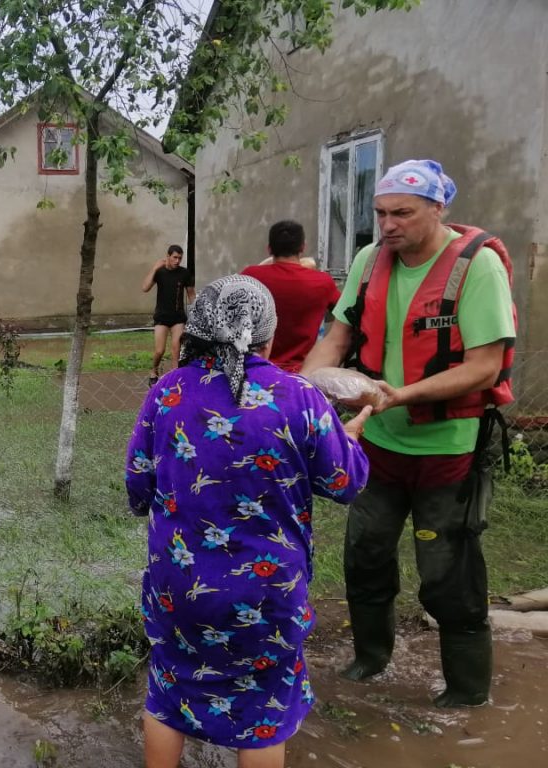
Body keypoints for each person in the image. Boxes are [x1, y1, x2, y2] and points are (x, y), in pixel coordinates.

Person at [126, 275, 371, 768]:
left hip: (182, 590)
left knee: (169, 695)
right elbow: (346, 482)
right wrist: (349, 438)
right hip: (268, 594)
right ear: (268, 335)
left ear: (197, 329)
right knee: (262, 713)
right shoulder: (299, 397)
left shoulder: (167, 394)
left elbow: (138, 488)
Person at [301, 159, 516, 707]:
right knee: (365, 555)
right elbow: (337, 335)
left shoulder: (477, 268)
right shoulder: (370, 260)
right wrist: (304, 387)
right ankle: (370, 660)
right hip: (378, 448)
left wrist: (400, 394)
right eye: (380, 213)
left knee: (447, 573)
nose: (388, 224)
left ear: (438, 210)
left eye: (402, 213)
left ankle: (467, 693)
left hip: (448, 449)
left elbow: (485, 366)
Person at [242, 221, 340, 372]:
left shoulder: (251, 276)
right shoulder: (322, 282)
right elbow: (343, 316)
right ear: (302, 247)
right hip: (304, 373)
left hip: (256, 370)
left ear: (269, 248)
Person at [141, 244, 195, 385]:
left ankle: (174, 378)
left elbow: (191, 294)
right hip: (161, 317)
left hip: (178, 318)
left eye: (180, 258)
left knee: (176, 348)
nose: (177, 261)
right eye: (175, 257)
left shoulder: (184, 273)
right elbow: (145, 288)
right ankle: (154, 370)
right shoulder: (159, 272)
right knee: (160, 350)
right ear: (168, 257)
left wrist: (196, 311)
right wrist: (154, 268)